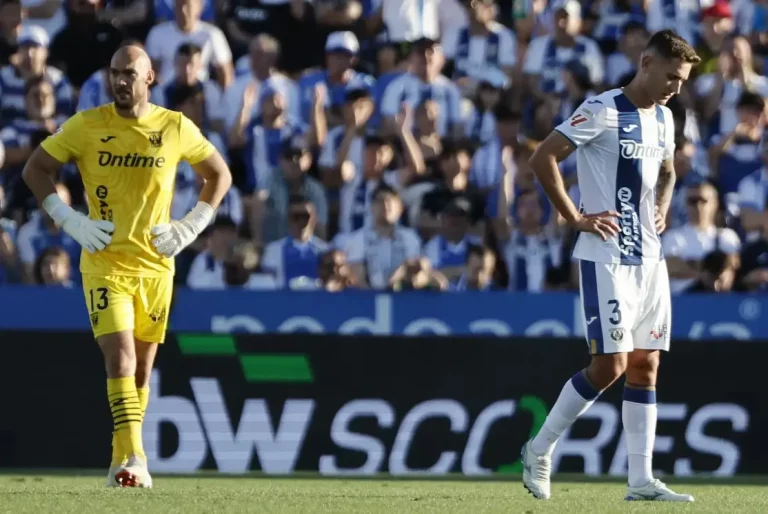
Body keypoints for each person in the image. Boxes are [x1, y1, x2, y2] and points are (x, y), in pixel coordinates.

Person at [20, 45, 232, 488]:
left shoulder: (174, 126)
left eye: (129, 74)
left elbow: (219, 174)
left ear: (149, 77)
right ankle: (136, 456)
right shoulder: (87, 125)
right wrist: (69, 219)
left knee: (140, 370)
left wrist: (191, 226)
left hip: (156, 265)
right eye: (115, 73)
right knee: (120, 358)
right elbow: (36, 170)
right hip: (104, 262)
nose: (120, 81)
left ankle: (122, 461)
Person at [523, 30, 700, 502]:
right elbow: (543, 158)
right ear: (645, 63)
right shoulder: (602, 111)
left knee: (646, 367)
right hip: (607, 256)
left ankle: (640, 481)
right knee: (610, 365)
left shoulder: (664, 118)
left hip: (650, 260)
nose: (675, 88)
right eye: (670, 76)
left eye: (682, 81)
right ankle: (539, 450)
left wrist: (662, 203)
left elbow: (668, 168)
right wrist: (575, 218)